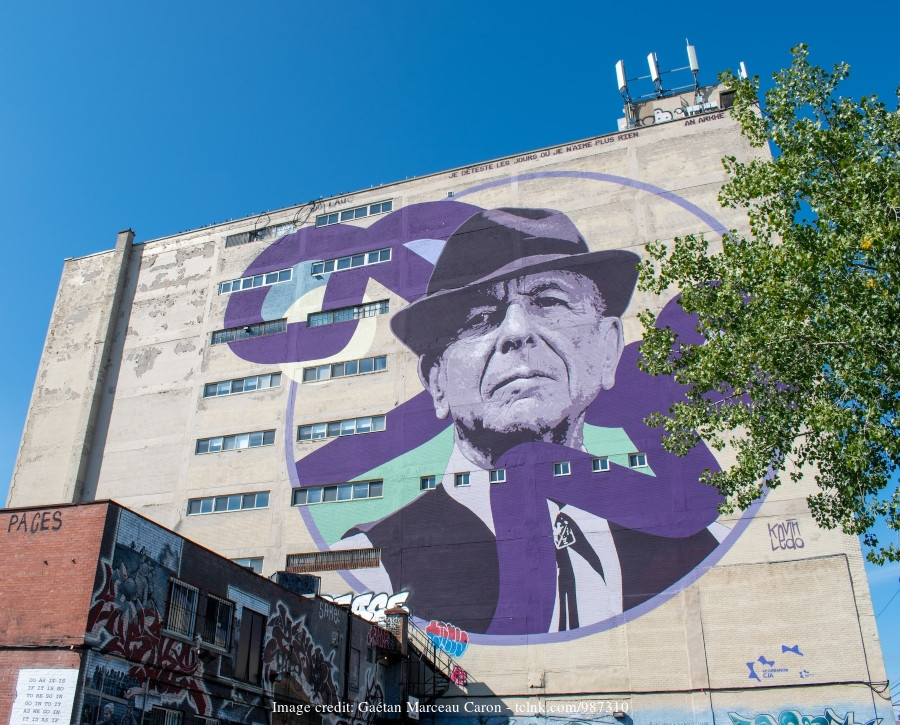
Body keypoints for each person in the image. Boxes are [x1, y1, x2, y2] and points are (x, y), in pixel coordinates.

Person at [336, 208, 724, 635]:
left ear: (608, 349)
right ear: (437, 382)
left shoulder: (700, 544)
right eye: (478, 318)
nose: (516, 332)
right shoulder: (375, 566)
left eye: (550, 302)